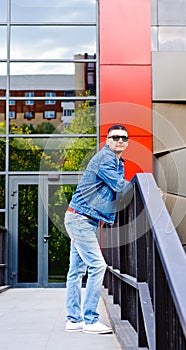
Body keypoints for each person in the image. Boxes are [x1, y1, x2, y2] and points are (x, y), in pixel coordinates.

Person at [64, 124, 130, 334]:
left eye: (124, 138)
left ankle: (73, 319)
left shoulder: (118, 162)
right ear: (107, 140)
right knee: (98, 266)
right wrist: (148, 188)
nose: (120, 140)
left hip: (82, 219)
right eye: (115, 137)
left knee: (76, 271)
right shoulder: (106, 159)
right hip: (81, 219)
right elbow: (120, 186)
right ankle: (90, 320)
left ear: (127, 142)